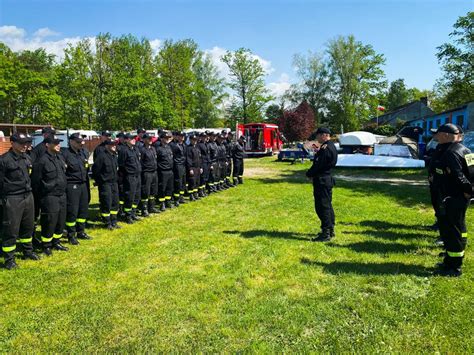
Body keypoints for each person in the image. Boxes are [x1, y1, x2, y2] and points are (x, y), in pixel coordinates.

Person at [430, 123, 473, 277]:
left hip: (453, 198)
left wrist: (468, 190)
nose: (436, 137)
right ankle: (450, 259)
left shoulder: (451, 152)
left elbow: (459, 175)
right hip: (453, 197)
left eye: (438, 134)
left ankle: (454, 267)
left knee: (453, 230)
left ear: (446, 135)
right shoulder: (463, 149)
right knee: (453, 229)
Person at [0, 133, 40, 269]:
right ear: (12, 143)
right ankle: (9, 259)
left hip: (28, 196)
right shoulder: (4, 160)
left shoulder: (26, 158)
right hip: (12, 198)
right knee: (11, 229)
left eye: (26, 143)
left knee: (28, 226)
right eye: (21, 143)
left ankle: (27, 251)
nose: (25, 145)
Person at [31, 135, 69, 255]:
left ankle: (56, 242)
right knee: (49, 221)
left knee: (60, 220)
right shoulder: (41, 161)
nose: (58, 145)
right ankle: (46, 245)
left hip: (61, 194)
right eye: (55, 143)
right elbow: (36, 182)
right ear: (47, 145)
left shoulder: (59, 158)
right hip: (49, 196)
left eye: (59, 143)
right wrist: (43, 194)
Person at [305, 127, 338, 242]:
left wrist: (309, 173)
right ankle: (330, 229)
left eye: (318, 135)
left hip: (322, 180)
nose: (317, 138)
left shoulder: (326, 148)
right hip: (326, 179)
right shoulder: (330, 146)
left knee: (322, 206)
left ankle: (326, 233)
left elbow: (318, 165)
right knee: (327, 205)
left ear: (324, 135)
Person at [61, 133, 92, 245]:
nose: (81, 144)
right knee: (72, 211)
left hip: (83, 184)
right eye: (79, 142)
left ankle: (81, 231)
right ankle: (71, 235)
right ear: (71, 142)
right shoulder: (65, 154)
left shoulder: (82, 153)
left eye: (82, 142)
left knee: (83, 209)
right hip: (72, 185)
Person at [92, 139, 121, 230]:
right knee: (106, 202)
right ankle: (107, 222)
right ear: (106, 146)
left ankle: (114, 221)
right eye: (111, 144)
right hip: (105, 183)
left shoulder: (114, 156)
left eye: (115, 144)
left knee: (115, 202)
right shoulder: (101, 156)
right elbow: (96, 170)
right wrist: (100, 180)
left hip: (114, 183)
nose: (114, 146)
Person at [118, 133, 142, 224]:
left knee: (137, 195)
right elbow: (121, 165)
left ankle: (133, 213)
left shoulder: (135, 149)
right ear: (126, 140)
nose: (134, 140)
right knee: (129, 196)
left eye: (134, 138)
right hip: (129, 176)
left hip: (137, 175)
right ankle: (127, 215)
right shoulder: (124, 151)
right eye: (131, 138)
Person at [139, 133, 158, 216]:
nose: (150, 140)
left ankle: (152, 207)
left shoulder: (153, 149)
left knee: (153, 190)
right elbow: (140, 163)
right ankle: (144, 209)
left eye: (151, 139)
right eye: (148, 139)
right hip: (146, 173)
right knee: (145, 191)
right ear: (144, 140)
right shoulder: (142, 150)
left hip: (154, 172)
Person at [155, 131, 175, 211]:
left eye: (168, 138)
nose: (167, 139)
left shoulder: (169, 147)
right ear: (161, 138)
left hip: (170, 170)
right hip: (162, 171)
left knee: (169, 187)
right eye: (165, 138)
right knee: (162, 188)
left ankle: (168, 202)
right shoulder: (158, 149)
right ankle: (162, 203)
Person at [169, 131, 187, 206]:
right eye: (180, 136)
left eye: (183, 136)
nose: (182, 137)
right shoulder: (172, 145)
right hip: (177, 165)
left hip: (183, 165)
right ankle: (176, 199)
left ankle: (181, 196)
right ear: (177, 136)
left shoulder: (184, 144)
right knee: (178, 182)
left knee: (183, 181)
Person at [186, 134, 202, 201]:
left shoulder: (197, 148)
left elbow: (200, 158)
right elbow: (188, 159)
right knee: (192, 182)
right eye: (193, 140)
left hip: (198, 167)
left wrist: (201, 167)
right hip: (192, 168)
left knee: (197, 181)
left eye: (195, 140)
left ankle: (195, 193)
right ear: (190, 140)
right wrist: (190, 168)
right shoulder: (189, 148)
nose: (195, 141)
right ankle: (191, 195)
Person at [198, 132, 210, 196]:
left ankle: (204, 189)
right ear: (201, 137)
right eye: (203, 137)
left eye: (205, 137)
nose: (204, 138)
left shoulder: (207, 144)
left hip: (207, 162)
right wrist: (200, 166)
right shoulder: (199, 145)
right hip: (203, 162)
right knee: (202, 178)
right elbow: (199, 156)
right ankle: (200, 191)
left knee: (206, 177)